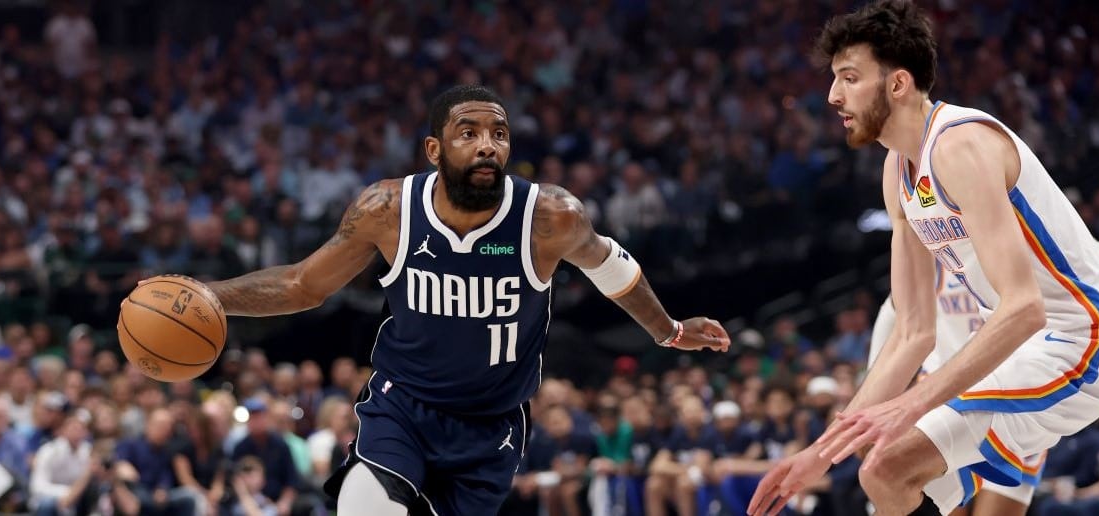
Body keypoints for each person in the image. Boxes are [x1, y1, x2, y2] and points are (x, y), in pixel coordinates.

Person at [148, 84, 730, 515]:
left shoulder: (549, 217)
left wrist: (668, 329)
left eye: (498, 134)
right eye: (469, 132)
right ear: (434, 148)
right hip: (402, 406)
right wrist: (212, 295)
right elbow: (305, 284)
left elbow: (614, 269)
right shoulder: (388, 210)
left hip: (490, 424)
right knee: (363, 506)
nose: (487, 146)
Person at [748, 2, 1099, 514]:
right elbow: (913, 332)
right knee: (883, 477)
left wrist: (912, 402)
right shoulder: (897, 172)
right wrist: (819, 453)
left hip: (1078, 346)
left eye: (850, 77)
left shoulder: (960, 144)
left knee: (889, 465)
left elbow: (1024, 308)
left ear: (898, 83)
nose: (833, 95)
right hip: (1023, 354)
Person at [866, 247, 1099, 516]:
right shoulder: (932, 239)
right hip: (942, 403)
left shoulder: (1036, 229)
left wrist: (1088, 326)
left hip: (1016, 400)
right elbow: (895, 316)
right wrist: (869, 400)